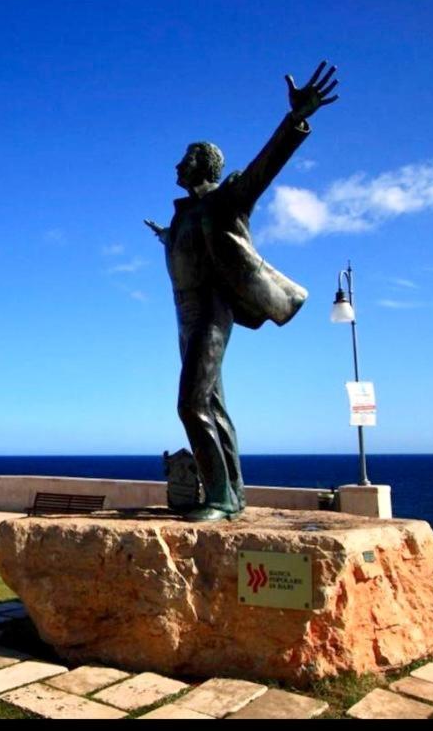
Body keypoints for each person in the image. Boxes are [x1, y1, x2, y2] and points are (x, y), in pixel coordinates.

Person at [145, 61, 339, 522]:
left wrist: (294, 121)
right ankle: (235, 492)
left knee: (190, 405)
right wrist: (166, 238)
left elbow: (261, 170)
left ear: (203, 165)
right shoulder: (183, 215)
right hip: (184, 313)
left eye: (185, 158)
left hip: (212, 309)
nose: (177, 164)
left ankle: (219, 498)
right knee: (213, 404)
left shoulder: (225, 197)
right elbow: (190, 248)